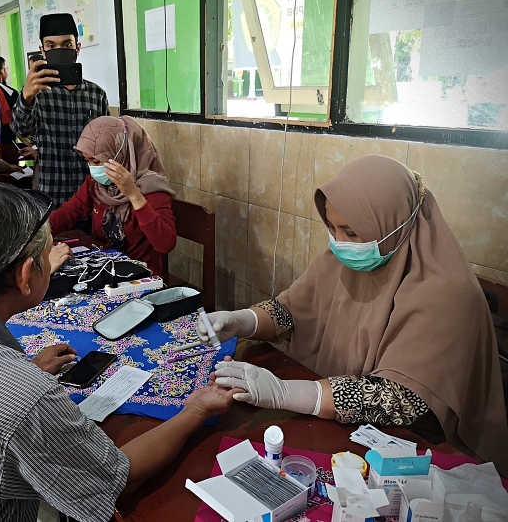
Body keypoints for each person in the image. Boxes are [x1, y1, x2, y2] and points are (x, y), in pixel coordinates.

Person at [0, 181, 239, 520]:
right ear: (26, 276)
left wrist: (24, 371)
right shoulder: (21, 396)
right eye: (47, 255)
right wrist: (195, 410)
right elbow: (115, 480)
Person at [198, 155, 508, 476]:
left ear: (395, 225)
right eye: (332, 228)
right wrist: (243, 320)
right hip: (333, 427)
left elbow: (400, 400)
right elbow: (290, 310)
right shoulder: (340, 259)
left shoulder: (449, 294)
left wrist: (288, 393)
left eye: (352, 232)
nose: (340, 244)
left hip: (414, 448)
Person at [49, 116, 176, 275]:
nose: (92, 168)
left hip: (140, 276)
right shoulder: (96, 184)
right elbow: (69, 212)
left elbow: (165, 243)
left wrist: (134, 195)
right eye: (87, 161)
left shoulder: (152, 189)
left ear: (119, 154)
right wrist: (38, 235)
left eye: (96, 161)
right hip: (105, 267)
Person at [12, 12, 110, 207]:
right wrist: (26, 97)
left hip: (90, 196)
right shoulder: (37, 93)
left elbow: (107, 145)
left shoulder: (97, 94)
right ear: (42, 50)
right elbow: (21, 129)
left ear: (77, 48)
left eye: (66, 45)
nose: (59, 50)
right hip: (51, 196)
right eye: (51, 46)